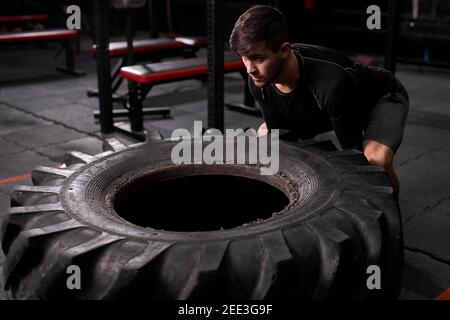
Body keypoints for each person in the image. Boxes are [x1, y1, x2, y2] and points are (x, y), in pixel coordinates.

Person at [229, 5, 409, 197]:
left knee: (373, 162)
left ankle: (388, 216)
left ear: (284, 51)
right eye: (245, 59)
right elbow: (279, 136)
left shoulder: (329, 83)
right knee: (265, 135)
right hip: (327, 107)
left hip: (380, 97)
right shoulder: (258, 81)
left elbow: (353, 155)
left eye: (258, 58)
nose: (249, 69)